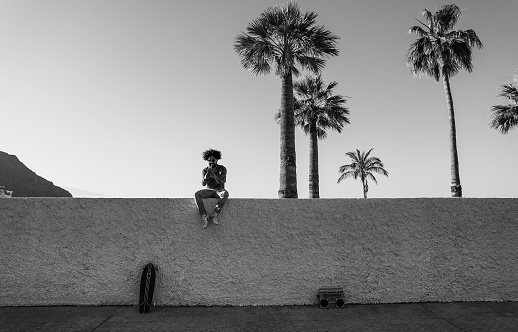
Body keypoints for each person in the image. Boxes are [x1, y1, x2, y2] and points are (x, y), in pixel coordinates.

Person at [194, 149, 229, 229]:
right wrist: (205, 177)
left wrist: (214, 174)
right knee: (197, 194)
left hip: (219, 190)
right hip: (209, 191)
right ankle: (204, 215)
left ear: (217, 160)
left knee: (225, 193)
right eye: (209, 161)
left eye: (213, 160)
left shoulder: (222, 169)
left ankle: (215, 213)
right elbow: (203, 184)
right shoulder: (205, 170)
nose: (211, 162)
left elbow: (222, 181)